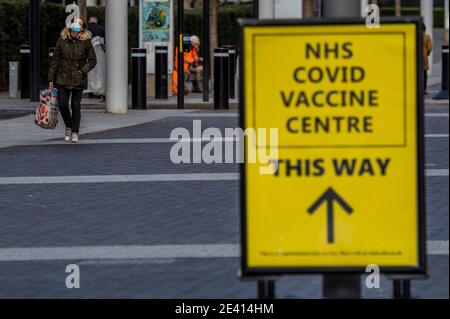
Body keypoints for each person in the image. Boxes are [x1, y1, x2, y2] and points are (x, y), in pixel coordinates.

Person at [48, 17, 97, 143]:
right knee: (63, 104)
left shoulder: (86, 41)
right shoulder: (62, 39)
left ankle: (75, 131)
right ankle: (68, 126)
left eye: (80, 24)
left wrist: (82, 71)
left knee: (76, 105)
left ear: (82, 27)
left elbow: (92, 60)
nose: (77, 25)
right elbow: (55, 61)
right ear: (71, 25)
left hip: (78, 78)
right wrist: (51, 79)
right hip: (62, 77)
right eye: (76, 23)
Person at [423, 22, 433, 95]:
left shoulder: (414, 35)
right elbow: (429, 48)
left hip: (414, 57)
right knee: (424, 74)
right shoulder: (427, 37)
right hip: (424, 56)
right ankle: (424, 89)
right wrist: (427, 54)